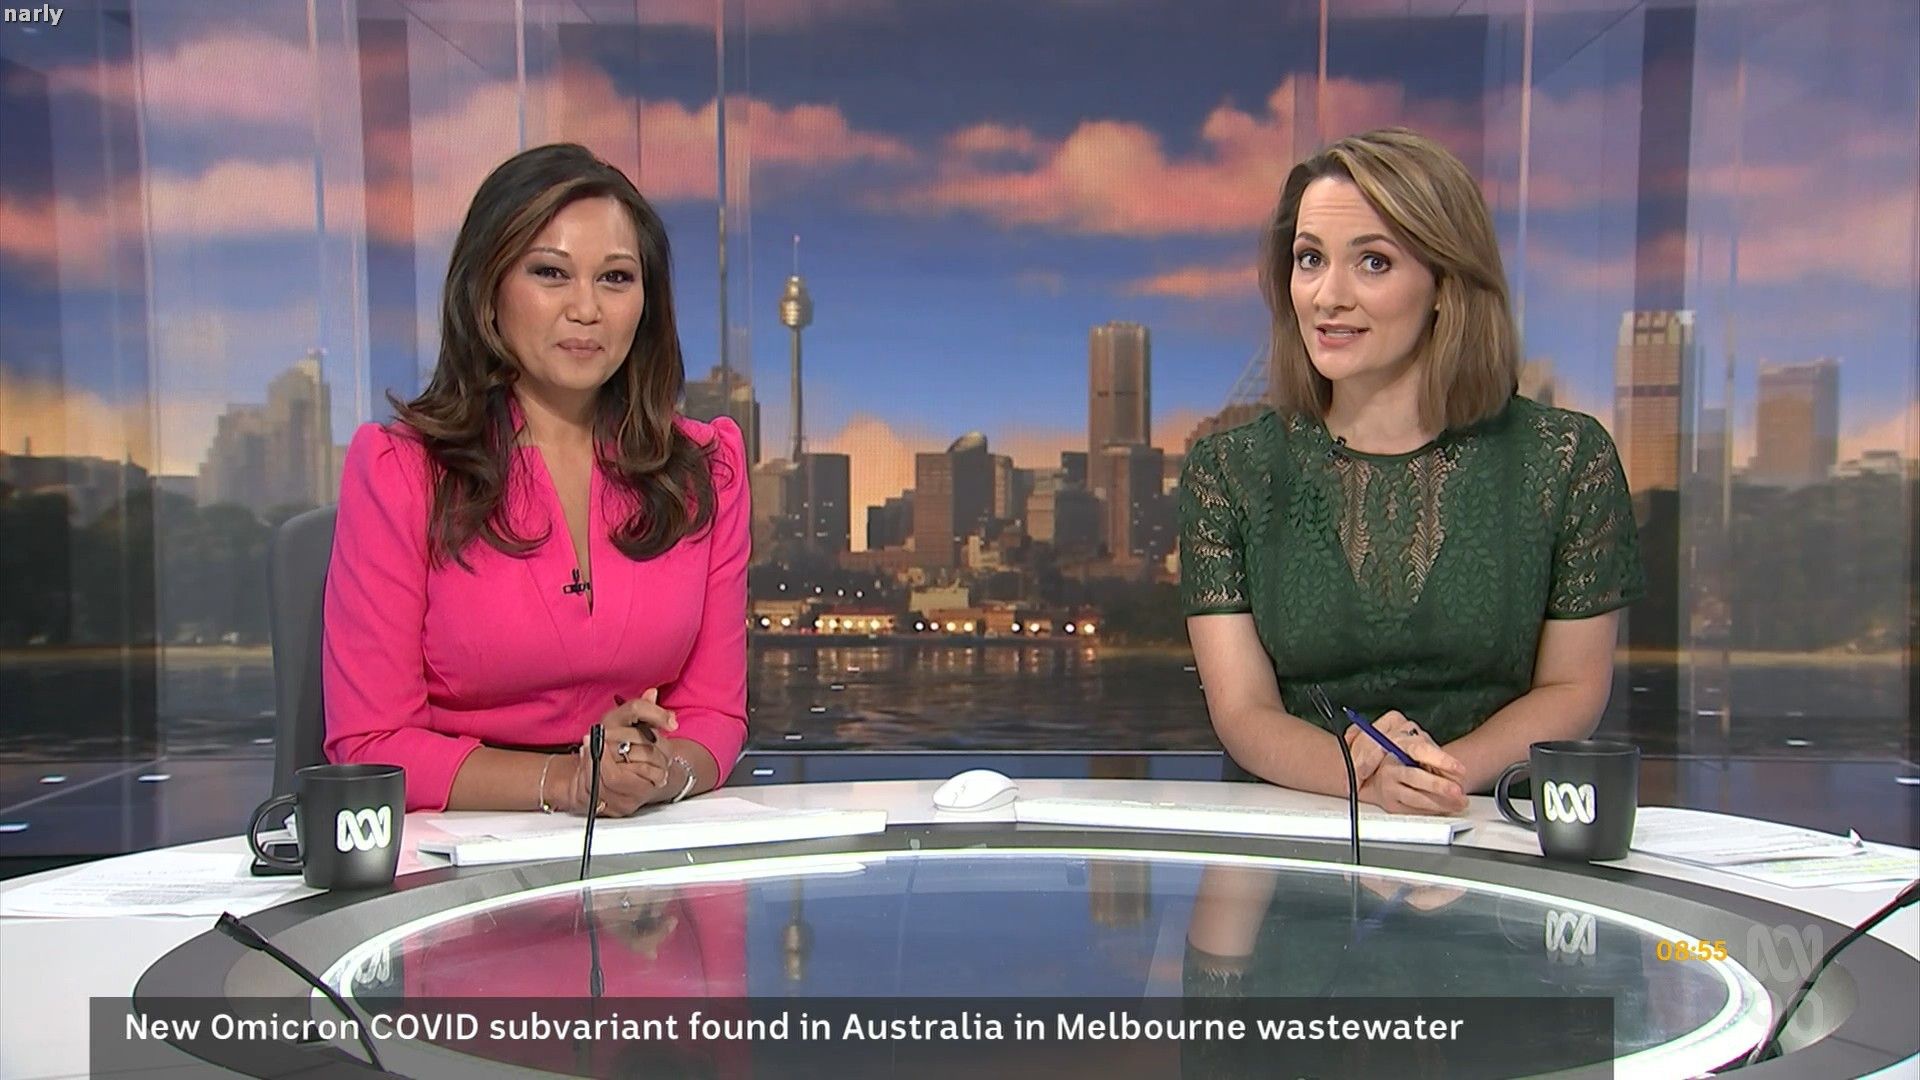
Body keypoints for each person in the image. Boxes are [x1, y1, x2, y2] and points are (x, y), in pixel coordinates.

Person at [1179, 127, 1643, 817]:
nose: (1328, 296)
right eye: (1310, 259)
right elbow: (1243, 711)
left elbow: (1572, 689)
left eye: (1373, 262)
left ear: (1444, 283)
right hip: (1296, 833)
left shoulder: (1566, 459)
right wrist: (1362, 778)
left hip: (1485, 826)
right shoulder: (1230, 471)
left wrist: (1434, 778)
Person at [323, 143, 749, 816]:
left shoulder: (706, 468)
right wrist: (566, 784)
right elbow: (370, 743)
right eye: (551, 273)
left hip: (642, 838)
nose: (586, 309)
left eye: (616, 278)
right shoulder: (401, 470)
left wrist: (658, 775)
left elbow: (715, 714)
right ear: (488, 289)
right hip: (457, 845)